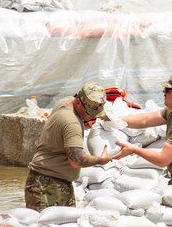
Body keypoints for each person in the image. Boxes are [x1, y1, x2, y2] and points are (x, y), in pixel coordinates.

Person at [24, 81, 112, 212]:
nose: (91, 117)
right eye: (89, 112)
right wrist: (101, 160)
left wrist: (112, 118)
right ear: (78, 102)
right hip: (47, 186)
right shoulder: (71, 123)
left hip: (57, 182)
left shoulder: (67, 102)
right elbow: (77, 161)